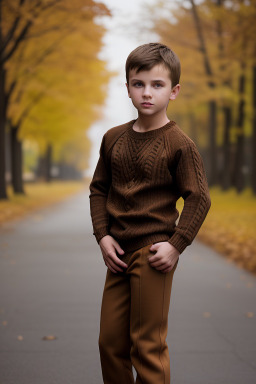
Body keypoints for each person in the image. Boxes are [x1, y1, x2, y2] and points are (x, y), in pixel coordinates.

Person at [89, 42, 211, 384]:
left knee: (147, 346)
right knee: (110, 343)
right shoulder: (113, 138)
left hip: (154, 253)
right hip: (118, 254)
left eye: (157, 85)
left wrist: (176, 244)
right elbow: (99, 189)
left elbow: (199, 197)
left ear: (173, 91)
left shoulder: (180, 144)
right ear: (127, 87)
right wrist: (103, 236)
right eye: (138, 83)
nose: (147, 93)